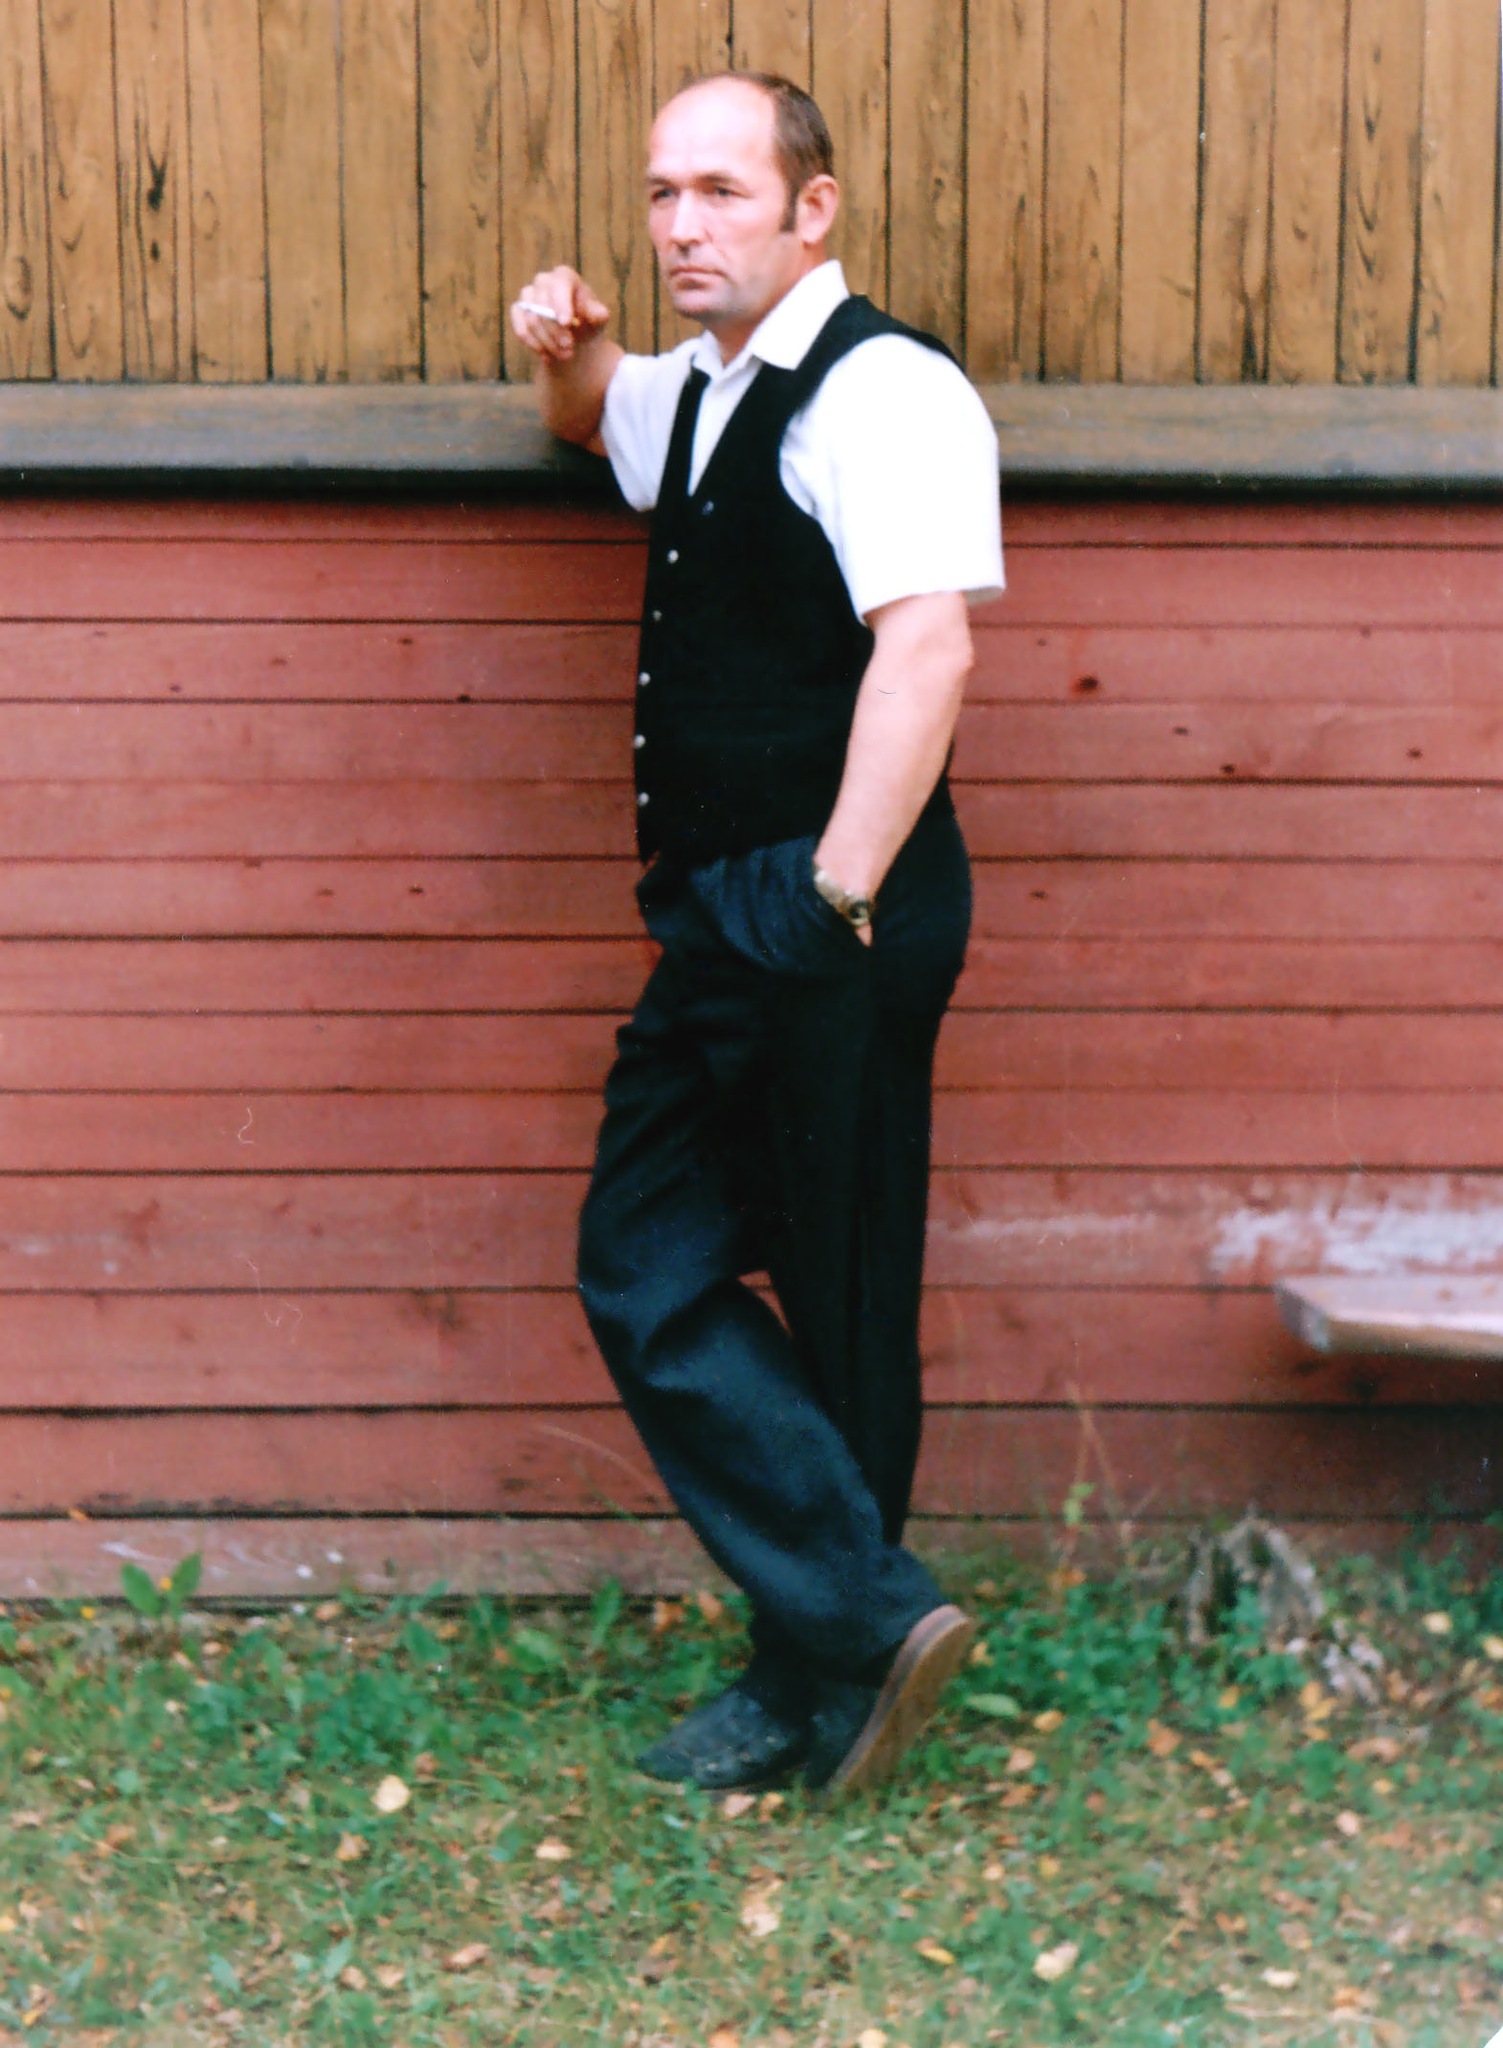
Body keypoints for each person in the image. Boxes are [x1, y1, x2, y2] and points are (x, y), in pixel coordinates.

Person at [510, 70, 1004, 1795]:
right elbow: (595, 418)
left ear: (814, 209)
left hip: (830, 905)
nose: (680, 226)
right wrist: (565, 344)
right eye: (661, 194)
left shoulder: (886, 392)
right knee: (658, 1257)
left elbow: (928, 646)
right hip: (743, 913)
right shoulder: (705, 388)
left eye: (721, 191)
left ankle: (822, 1677)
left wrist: (833, 893)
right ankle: (863, 1632)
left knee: (826, 1290)